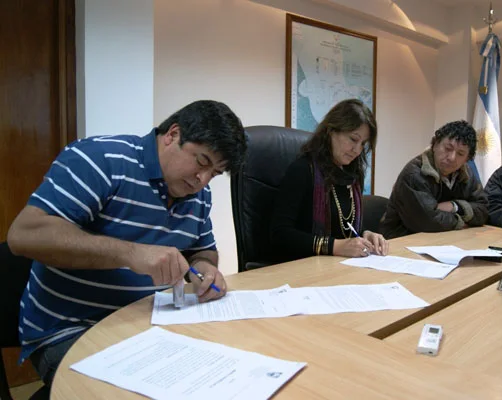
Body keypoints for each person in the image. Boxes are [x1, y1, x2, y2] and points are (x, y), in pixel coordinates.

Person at [7, 100, 247, 388]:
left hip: (148, 325)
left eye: (214, 174)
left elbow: (201, 248)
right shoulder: (100, 159)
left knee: (223, 375)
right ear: (172, 135)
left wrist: (205, 267)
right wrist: (130, 253)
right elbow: (24, 235)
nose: (202, 180)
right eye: (202, 162)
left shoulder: (198, 195)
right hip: (72, 328)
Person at [270, 99, 388, 263]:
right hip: (302, 267)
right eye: (353, 139)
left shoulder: (352, 175)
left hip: (339, 267)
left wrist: (364, 234)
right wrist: (335, 247)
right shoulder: (303, 170)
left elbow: (343, 229)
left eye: (363, 144)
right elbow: (280, 234)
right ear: (331, 131)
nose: (357, 150)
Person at [380, 120, 488, 239]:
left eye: (460, 154)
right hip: (402, 241)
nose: (452, 158)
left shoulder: (466, 173)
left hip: (445, 241)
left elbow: (483, 211)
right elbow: (428, 222)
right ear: (435, 144)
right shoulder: (414, 174)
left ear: (467, 159)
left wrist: (455, 206)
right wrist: (463, 221)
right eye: (448, 148)